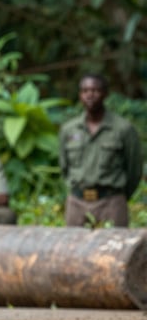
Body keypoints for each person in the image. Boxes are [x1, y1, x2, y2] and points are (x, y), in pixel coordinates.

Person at [59, 73, 142, 228]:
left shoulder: (123, 129)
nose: (90, 95)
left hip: (111, 201)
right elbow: (64, 167)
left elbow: (134, 169)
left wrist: (119, 195)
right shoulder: (69, 130)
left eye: (95, 90)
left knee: (115, 249)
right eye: (85, 91)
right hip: (77, 203)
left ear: (105, 94)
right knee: (73, 249)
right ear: (80, 95)